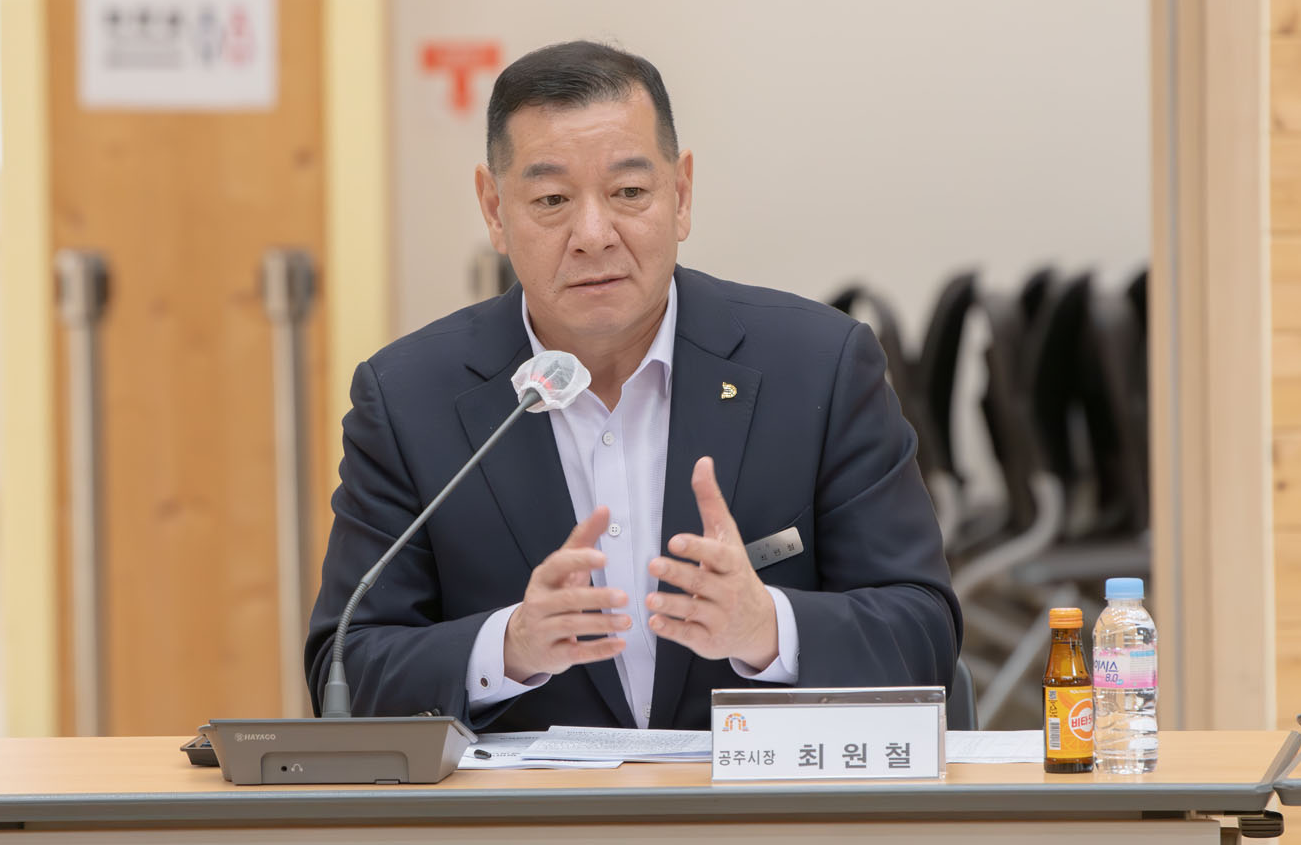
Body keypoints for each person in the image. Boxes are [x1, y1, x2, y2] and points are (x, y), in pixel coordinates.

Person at [305, 40, 960, 731]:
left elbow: (923, 637)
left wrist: (766, 627)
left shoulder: (818, 367)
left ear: (681, 195)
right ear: (495, 210)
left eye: (629, 193)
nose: (593, 234)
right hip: (525, 805)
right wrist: (509, 647)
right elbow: (346, 670)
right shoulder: (408, 400)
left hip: (756, 800)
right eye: (552, 199)